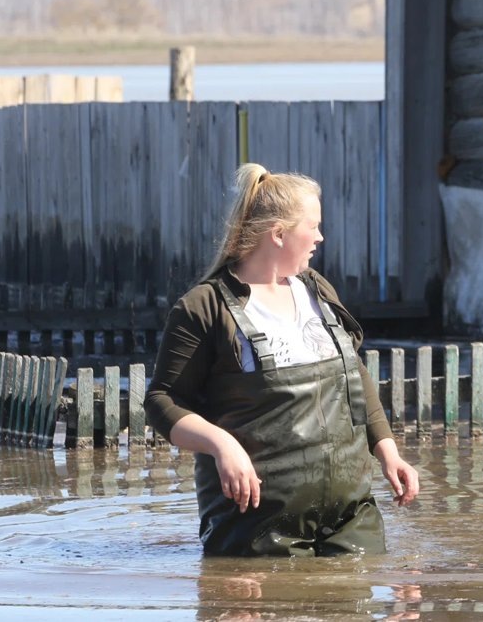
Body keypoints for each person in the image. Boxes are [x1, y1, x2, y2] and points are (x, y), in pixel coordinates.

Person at [145, 163, 420, 556]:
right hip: (253, 527)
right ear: (278, 234)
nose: (320, 237)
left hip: (350, 516)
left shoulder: (317, 290)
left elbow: (353, 377)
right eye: (313, 226)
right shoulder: (203, 307)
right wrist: (222, 445)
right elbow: (162, 401)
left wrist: (388, 451)